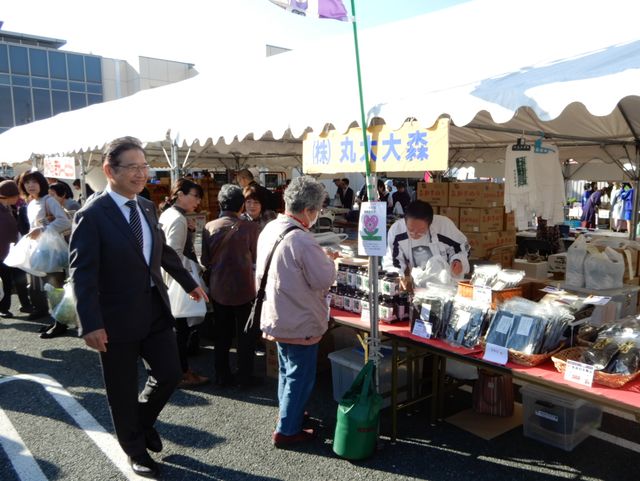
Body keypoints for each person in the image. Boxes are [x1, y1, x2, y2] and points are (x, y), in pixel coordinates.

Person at [69, 136, 208, 478]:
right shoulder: (93, 215)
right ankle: (134, 449)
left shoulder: (146, 206)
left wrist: (190, 283)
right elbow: (81, 273)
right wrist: (90, 322)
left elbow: (160, 252)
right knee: (121, 389)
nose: (141, 173)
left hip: (154, 308)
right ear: (109, 171)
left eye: (144, 166)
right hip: (114, 317)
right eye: (132, 167)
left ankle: (140, 423)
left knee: (170, 374)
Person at [258, 176, 338, 447]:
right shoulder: (303, 240)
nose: (317, 215)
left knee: (287, 370)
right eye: (318, 210)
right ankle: (287, 429)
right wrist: (331, 263)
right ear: (308, 211)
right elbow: (323, 279)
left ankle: (289, 415)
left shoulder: (270, 228)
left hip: (277, 314)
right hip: (299, 319)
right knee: (299, 376)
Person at [201, 184, 260, 387]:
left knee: (222, 335)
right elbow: (256, 257)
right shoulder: (251, 228)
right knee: (246, 335)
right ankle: (245, 376)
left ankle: (221, 375)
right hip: (245, 288)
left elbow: (204, 259)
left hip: (218, 288)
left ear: (220, 203)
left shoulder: (209, 227)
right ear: (241, 205)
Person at [158, 179, 209, 389]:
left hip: (168, 278)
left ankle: (178, 370)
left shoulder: (168, 214)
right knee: (181, 329)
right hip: (179, 280)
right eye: (194, 195)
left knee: (176, 328)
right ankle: (182, 372)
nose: (197, 201)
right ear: (180, 194)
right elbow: (175, 255)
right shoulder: (178, 218)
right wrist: (193, 275)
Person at [18, 170, 72, 338]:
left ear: (42, 183)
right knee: (50, 288)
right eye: (27, 182)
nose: (30, 185)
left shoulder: (49, 200)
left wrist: (42, 229)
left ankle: (60, 324)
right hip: (41, 249)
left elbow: (64, 221)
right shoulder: (31, 202)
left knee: (55, 287)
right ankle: (57, 320)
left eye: (34, 181)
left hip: (53, 250)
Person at [382, 200, 470, 289]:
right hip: (419, 284)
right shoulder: (397, 231)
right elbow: (393, 261)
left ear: (430, 224)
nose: (415, 234)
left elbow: (462, 248)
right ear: (405, 222)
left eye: (421, 231)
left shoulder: (444, 226)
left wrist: (458, 260)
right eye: (411, 230)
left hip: (448, 283)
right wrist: (397, 276)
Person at [0, 180, 20, 318]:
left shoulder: (9, 208)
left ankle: (4, 307)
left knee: (7, 282)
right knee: (5, 281)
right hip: (2, 252)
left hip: (8, 252)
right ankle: (3, 308)